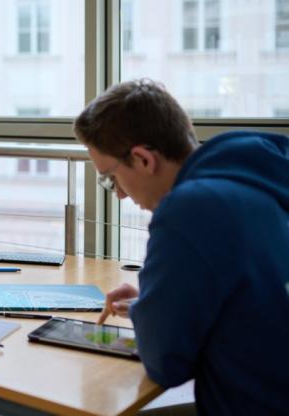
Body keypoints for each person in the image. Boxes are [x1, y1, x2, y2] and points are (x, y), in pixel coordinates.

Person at [73, 78, 289, 414]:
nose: (118, 193)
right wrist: (159, 301)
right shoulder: (256, 178)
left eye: (110, 177)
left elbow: (166, 365)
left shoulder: (190, 209)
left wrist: (152, 311)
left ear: (144, 159)